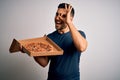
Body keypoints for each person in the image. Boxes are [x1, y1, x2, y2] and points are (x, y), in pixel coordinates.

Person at [26, 3, 87, 80]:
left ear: (70, 19)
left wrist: (69, 22)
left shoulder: (79, 34)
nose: (58, 18)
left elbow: (82, 47)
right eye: (57, 14)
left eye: (63, 16)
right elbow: (44, 63)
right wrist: (32, 51)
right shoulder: (50, 37)